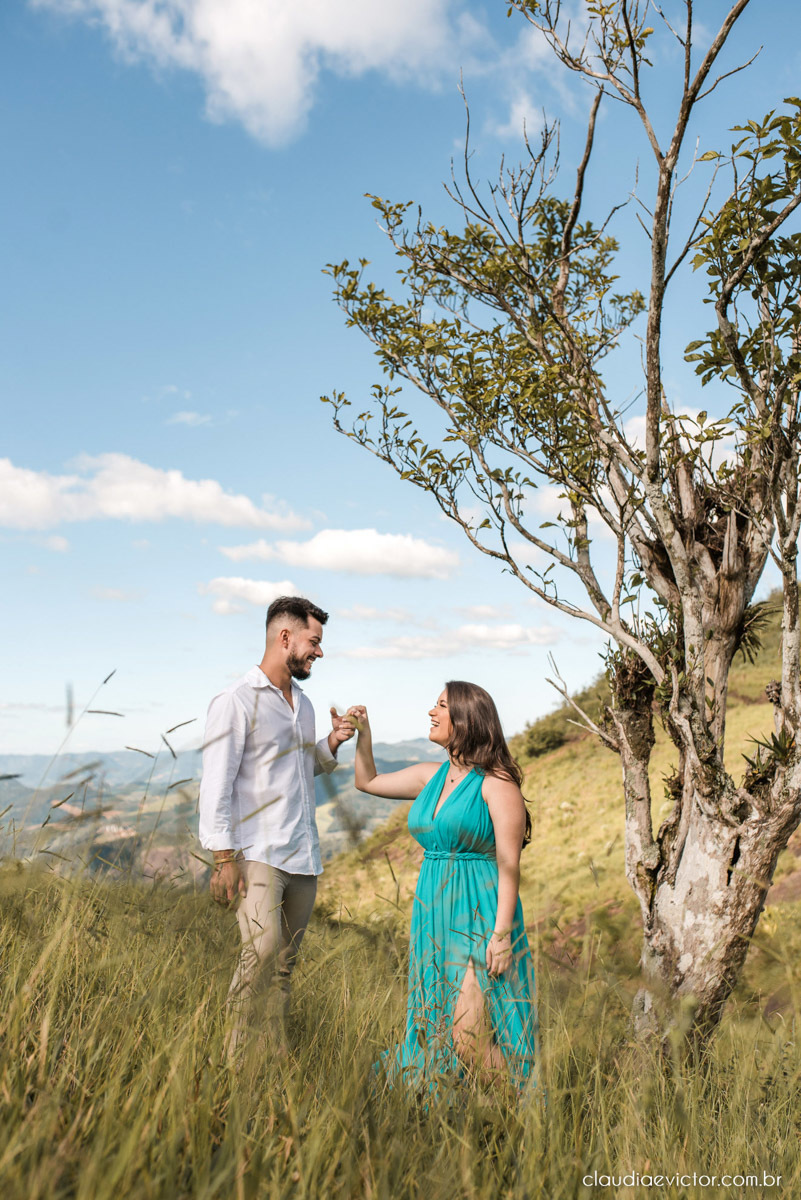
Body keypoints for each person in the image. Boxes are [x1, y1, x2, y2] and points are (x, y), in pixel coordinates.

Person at [347, 681, 536, 1096]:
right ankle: (484, 1117)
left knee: (468, 1036)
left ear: (466, 719)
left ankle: (528, 1106)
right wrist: (364, 736)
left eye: (441, 705)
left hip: (478, 911)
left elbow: (510, 865)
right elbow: (368, 781)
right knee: (439, 1022)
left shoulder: (498, 783)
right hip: (433, 910)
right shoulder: (430, 776)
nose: (432, 712)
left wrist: (501, 935)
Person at [198, 595, 355, 1058]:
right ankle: (235, 1061)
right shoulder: (235, 701)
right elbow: (216, 784)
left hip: (304, 854)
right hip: (259, 853)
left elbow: (301, 770)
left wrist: (331, 742)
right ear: (285, 637)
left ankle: (274, 1058)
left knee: (284, 967)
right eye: (314, 641)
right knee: (260, 954)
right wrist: (223, 858)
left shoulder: (303, 706)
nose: (319, 652)